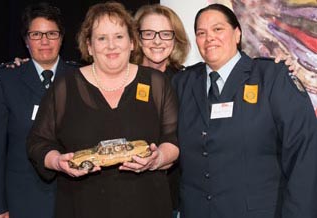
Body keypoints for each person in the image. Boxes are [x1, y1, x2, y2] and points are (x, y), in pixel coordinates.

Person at [26, 2, 179, 218]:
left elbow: (172, 140)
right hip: (81, 206)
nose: (111, 45)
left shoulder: (157, 83)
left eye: (119, 36)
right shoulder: (64, 87)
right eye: (101, 38)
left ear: (132, 42)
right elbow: (37, 142)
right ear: (89, 46)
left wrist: (157, 159)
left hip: (147, 204)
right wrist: (57, 162)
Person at [172, 3, 317, 218]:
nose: (209, 37)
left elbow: (304, 153)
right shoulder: (183, 83)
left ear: (237, 34)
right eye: (201, 33)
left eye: (218, 29)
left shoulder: (272, 77)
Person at [0, 3, 76, 218]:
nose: (44, 41)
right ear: (26, 40)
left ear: (61, 38)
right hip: (23, 199)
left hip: (73, 197)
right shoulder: (7, 80)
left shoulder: (79, 77)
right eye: (36, 34)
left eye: (51, 34)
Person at [133, 4, 190, 217]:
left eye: (165, 34)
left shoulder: (187, 81)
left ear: (175, 39)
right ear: (137, 38)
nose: (157, 41)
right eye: (148, 34)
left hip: (174, 195)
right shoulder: (121, 78)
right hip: (127, 191)